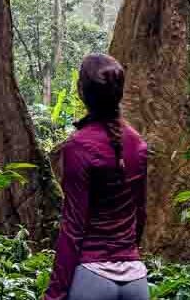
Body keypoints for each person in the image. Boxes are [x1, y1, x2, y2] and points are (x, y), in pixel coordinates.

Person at [44, 53, 149, 300]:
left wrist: (55, 293)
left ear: (82, 92)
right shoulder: (138, 144)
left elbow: (73, 227)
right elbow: (140, 213)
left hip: (92, 278)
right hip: (136, 280)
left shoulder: (79, 146)